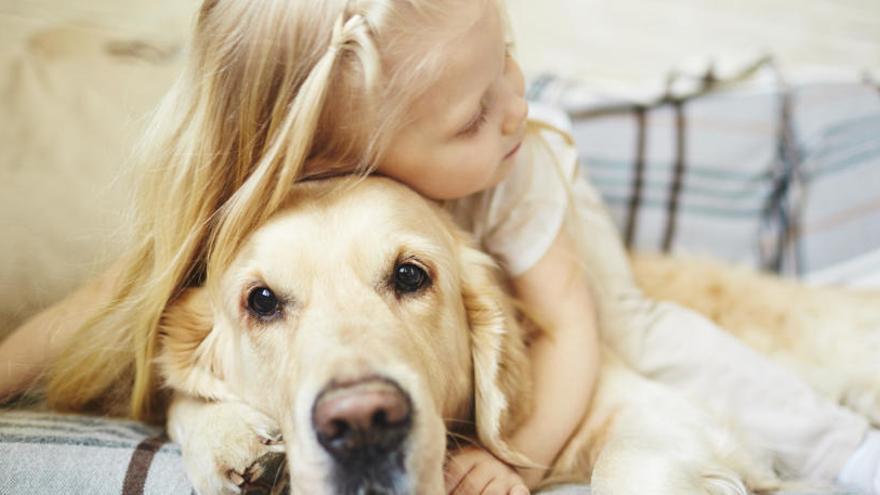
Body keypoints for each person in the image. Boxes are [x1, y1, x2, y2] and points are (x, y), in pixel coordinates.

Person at [0, 0, 876, 493]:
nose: (357, 397)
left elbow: (573, 333)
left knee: (641, 329)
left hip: (559, 244)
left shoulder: (512, 159)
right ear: (358, 147)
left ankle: (843, 448)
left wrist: (512, 457)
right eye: (266, 302)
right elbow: (108, 310)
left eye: (407, 277)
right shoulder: (231, 234)